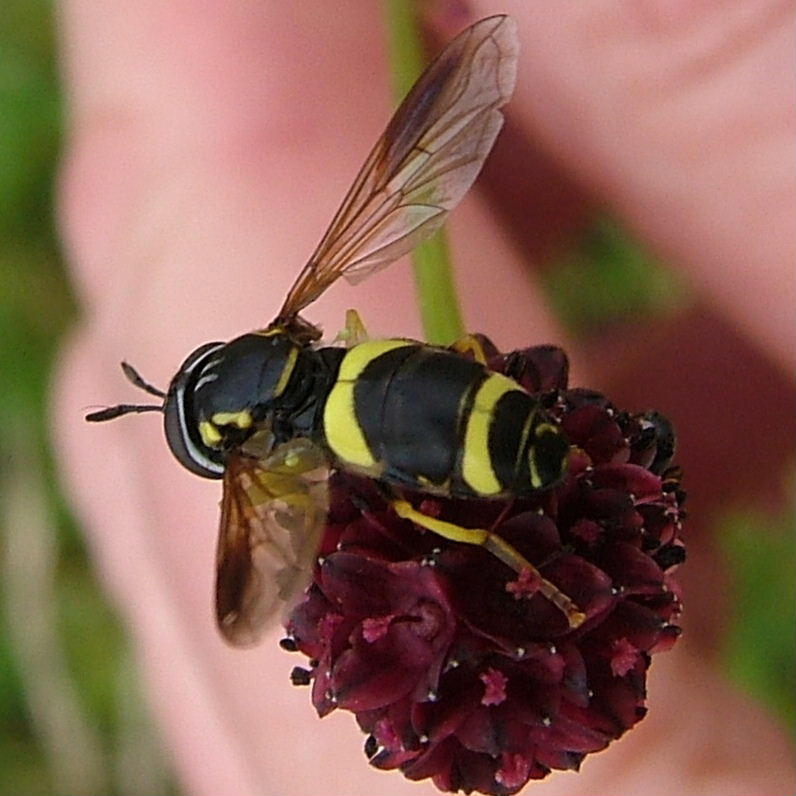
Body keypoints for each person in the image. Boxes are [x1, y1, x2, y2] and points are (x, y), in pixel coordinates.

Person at [56, 1, 795, 793]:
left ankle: (518, 530)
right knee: (427, 415)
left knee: (413, 511)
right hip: (455, 397)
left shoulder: (261, 476)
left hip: (466, 442)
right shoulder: (303, 309)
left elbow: (276, 573)